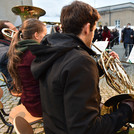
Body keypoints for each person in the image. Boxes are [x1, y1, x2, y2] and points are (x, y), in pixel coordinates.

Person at [29, 1, 134, 134]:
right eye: (94, 30)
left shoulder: (53, 50)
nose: (92, 35)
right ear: (87, 28)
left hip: (54, 127)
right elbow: (87, 129)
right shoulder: (80, 61)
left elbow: (66, 78)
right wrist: (126, 110)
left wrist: (101, 67)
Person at [8, 18, 47, 117]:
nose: (45, 38)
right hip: (39, 106)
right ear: (36, 35)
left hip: (28, 101)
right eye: (44, 35)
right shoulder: (34, 54)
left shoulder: (20, 50)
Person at [0, 20, 18, 89]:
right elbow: (15, 59)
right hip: (16, 84)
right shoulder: (2, 48)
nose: (17, 31)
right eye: (14, 29)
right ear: (6, 33)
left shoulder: (10, 45)